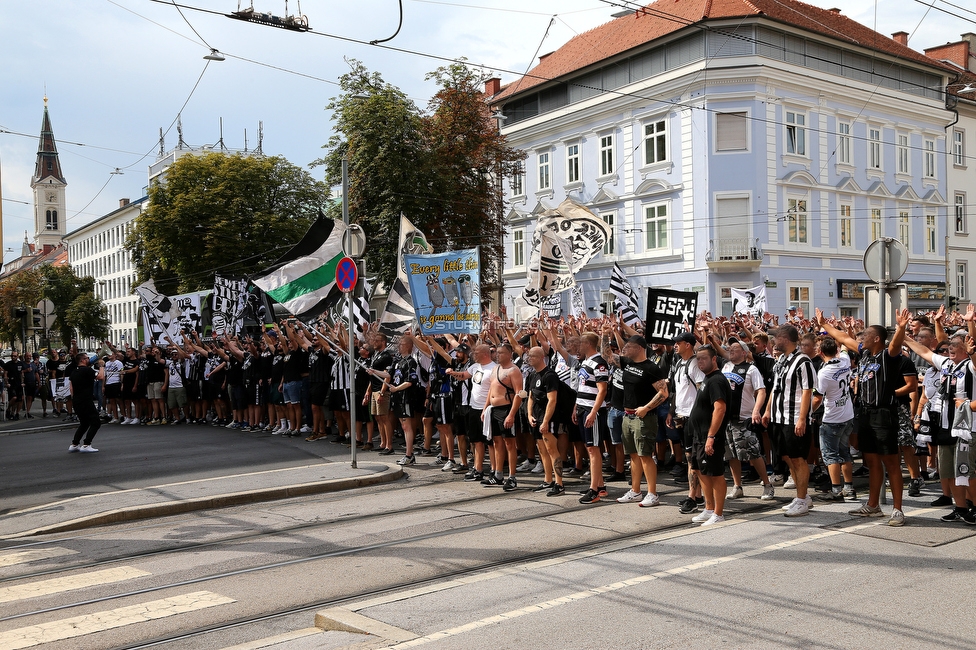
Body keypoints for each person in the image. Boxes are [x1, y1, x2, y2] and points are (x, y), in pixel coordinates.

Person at [817, 308, 909, 526]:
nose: (861, 337)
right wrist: (823, 324)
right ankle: (873, 505)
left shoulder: (888, 356)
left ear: (876, 338)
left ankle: (897, 509)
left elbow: (895, 344)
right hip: (865, 413)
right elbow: (842, 337)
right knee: (873, 461)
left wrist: (901, 327)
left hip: (884, 414)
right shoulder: (864, 354)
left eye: (865, 334)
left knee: (892, 463)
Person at [602, 334, 669, 508]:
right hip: (627, 415)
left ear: (639, 348)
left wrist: (646, 408)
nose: (624, 349)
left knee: (645, 455)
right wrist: (605, 332)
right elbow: (606, 355)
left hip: (644, 418)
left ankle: (652, 493)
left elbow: (664, 393)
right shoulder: (627, 362)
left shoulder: (651, 368)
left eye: (628, 347)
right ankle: (635, 490)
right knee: (633, 455)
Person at [762, 324, 816, 517]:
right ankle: (803, 497)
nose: (774, 341)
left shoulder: (803, 362)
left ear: (784, 338)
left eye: (776, 338)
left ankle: (801, 500)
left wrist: (802, 419)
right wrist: (767, 410)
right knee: (786, 457)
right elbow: (775, 387)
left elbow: (808, 391)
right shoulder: (782, 360)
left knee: (797, 459)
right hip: (778, 417)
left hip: (793, 418)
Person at [687, 345, 731, 526]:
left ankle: (718, 513)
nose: (700, 362)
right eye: (698, 359)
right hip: (699, 435)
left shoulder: (717, 381)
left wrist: (711, 437)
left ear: (714, 359)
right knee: (700, 470)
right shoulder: (707, 378)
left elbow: (720, 408)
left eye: (704, 358)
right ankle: (709, 507)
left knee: (715, 473)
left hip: (710, 435)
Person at [812, 337, 857, 503]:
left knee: (831, 455)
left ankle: (836, 490)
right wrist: (842, 337)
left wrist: (807, 413)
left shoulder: (824, 372)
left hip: (832, 418)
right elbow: (845, 347)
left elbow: (817, 398)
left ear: (820, 352)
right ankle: (849, 488)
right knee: (844, 452)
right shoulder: (844, 361)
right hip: (847, 415)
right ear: (836, 351)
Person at [483, 342, 524, 491]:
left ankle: (512, 477)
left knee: (510, 444)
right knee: (496, 442)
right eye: (497, 353)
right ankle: (498, 474)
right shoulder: (495, 369)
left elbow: (519, 393)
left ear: (509, 354)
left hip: (507, 409)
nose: (497, 355)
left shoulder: (514, 371)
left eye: (501, 353)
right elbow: (490, 390)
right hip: (494, 409)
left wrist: (512, 414)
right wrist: (485, 408)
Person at [575, 332, 610, 504]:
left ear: (588, 344)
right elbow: (582, 387)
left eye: (581, 342)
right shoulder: (585, 361)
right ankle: (600, 485)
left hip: (592, 410)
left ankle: (594, 490)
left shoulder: (599, 363)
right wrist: (576, 407)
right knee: (589, 448)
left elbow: (602, 390)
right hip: (582, 408)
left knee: (593, 449)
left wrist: (594, 411)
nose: (578, 346)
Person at [525, 345, 564, 496]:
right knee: (542, 450)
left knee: (552, 450)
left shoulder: (550, 375)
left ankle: (559, 484)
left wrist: (546, 421)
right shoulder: (533, 375)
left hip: (548, 418)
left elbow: (552, 400)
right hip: (536, 417)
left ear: (541, 357)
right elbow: (530, 397)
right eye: (529, 356)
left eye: (532, 356)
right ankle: (548, 480)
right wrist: (529, 415)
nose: (529, 359)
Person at [67, 352, 104, 453]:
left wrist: (74, 398)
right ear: (82, 360)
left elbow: (71, 387)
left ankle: (74, 444)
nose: (89, 359)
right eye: (87, 358)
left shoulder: (74, 371)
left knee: (84, 423)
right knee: (96, 422)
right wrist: (101, 366)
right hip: (86, 400)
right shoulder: (87, 370)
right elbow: (100, 377)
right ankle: (87, 444)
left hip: (77, 400)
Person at [5, 350, 25, 420]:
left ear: (17, 356)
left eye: (15, 356)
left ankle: (15, 413)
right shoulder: (8, 364)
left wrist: (22, 382)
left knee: (20, 399)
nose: (13, 357)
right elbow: (5, 374)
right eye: (12, 356)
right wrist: (7, 383)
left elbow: (22, 374)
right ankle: (8, 409)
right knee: (14, 398)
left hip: (18, 384)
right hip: (11, 384)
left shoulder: (20, 364)